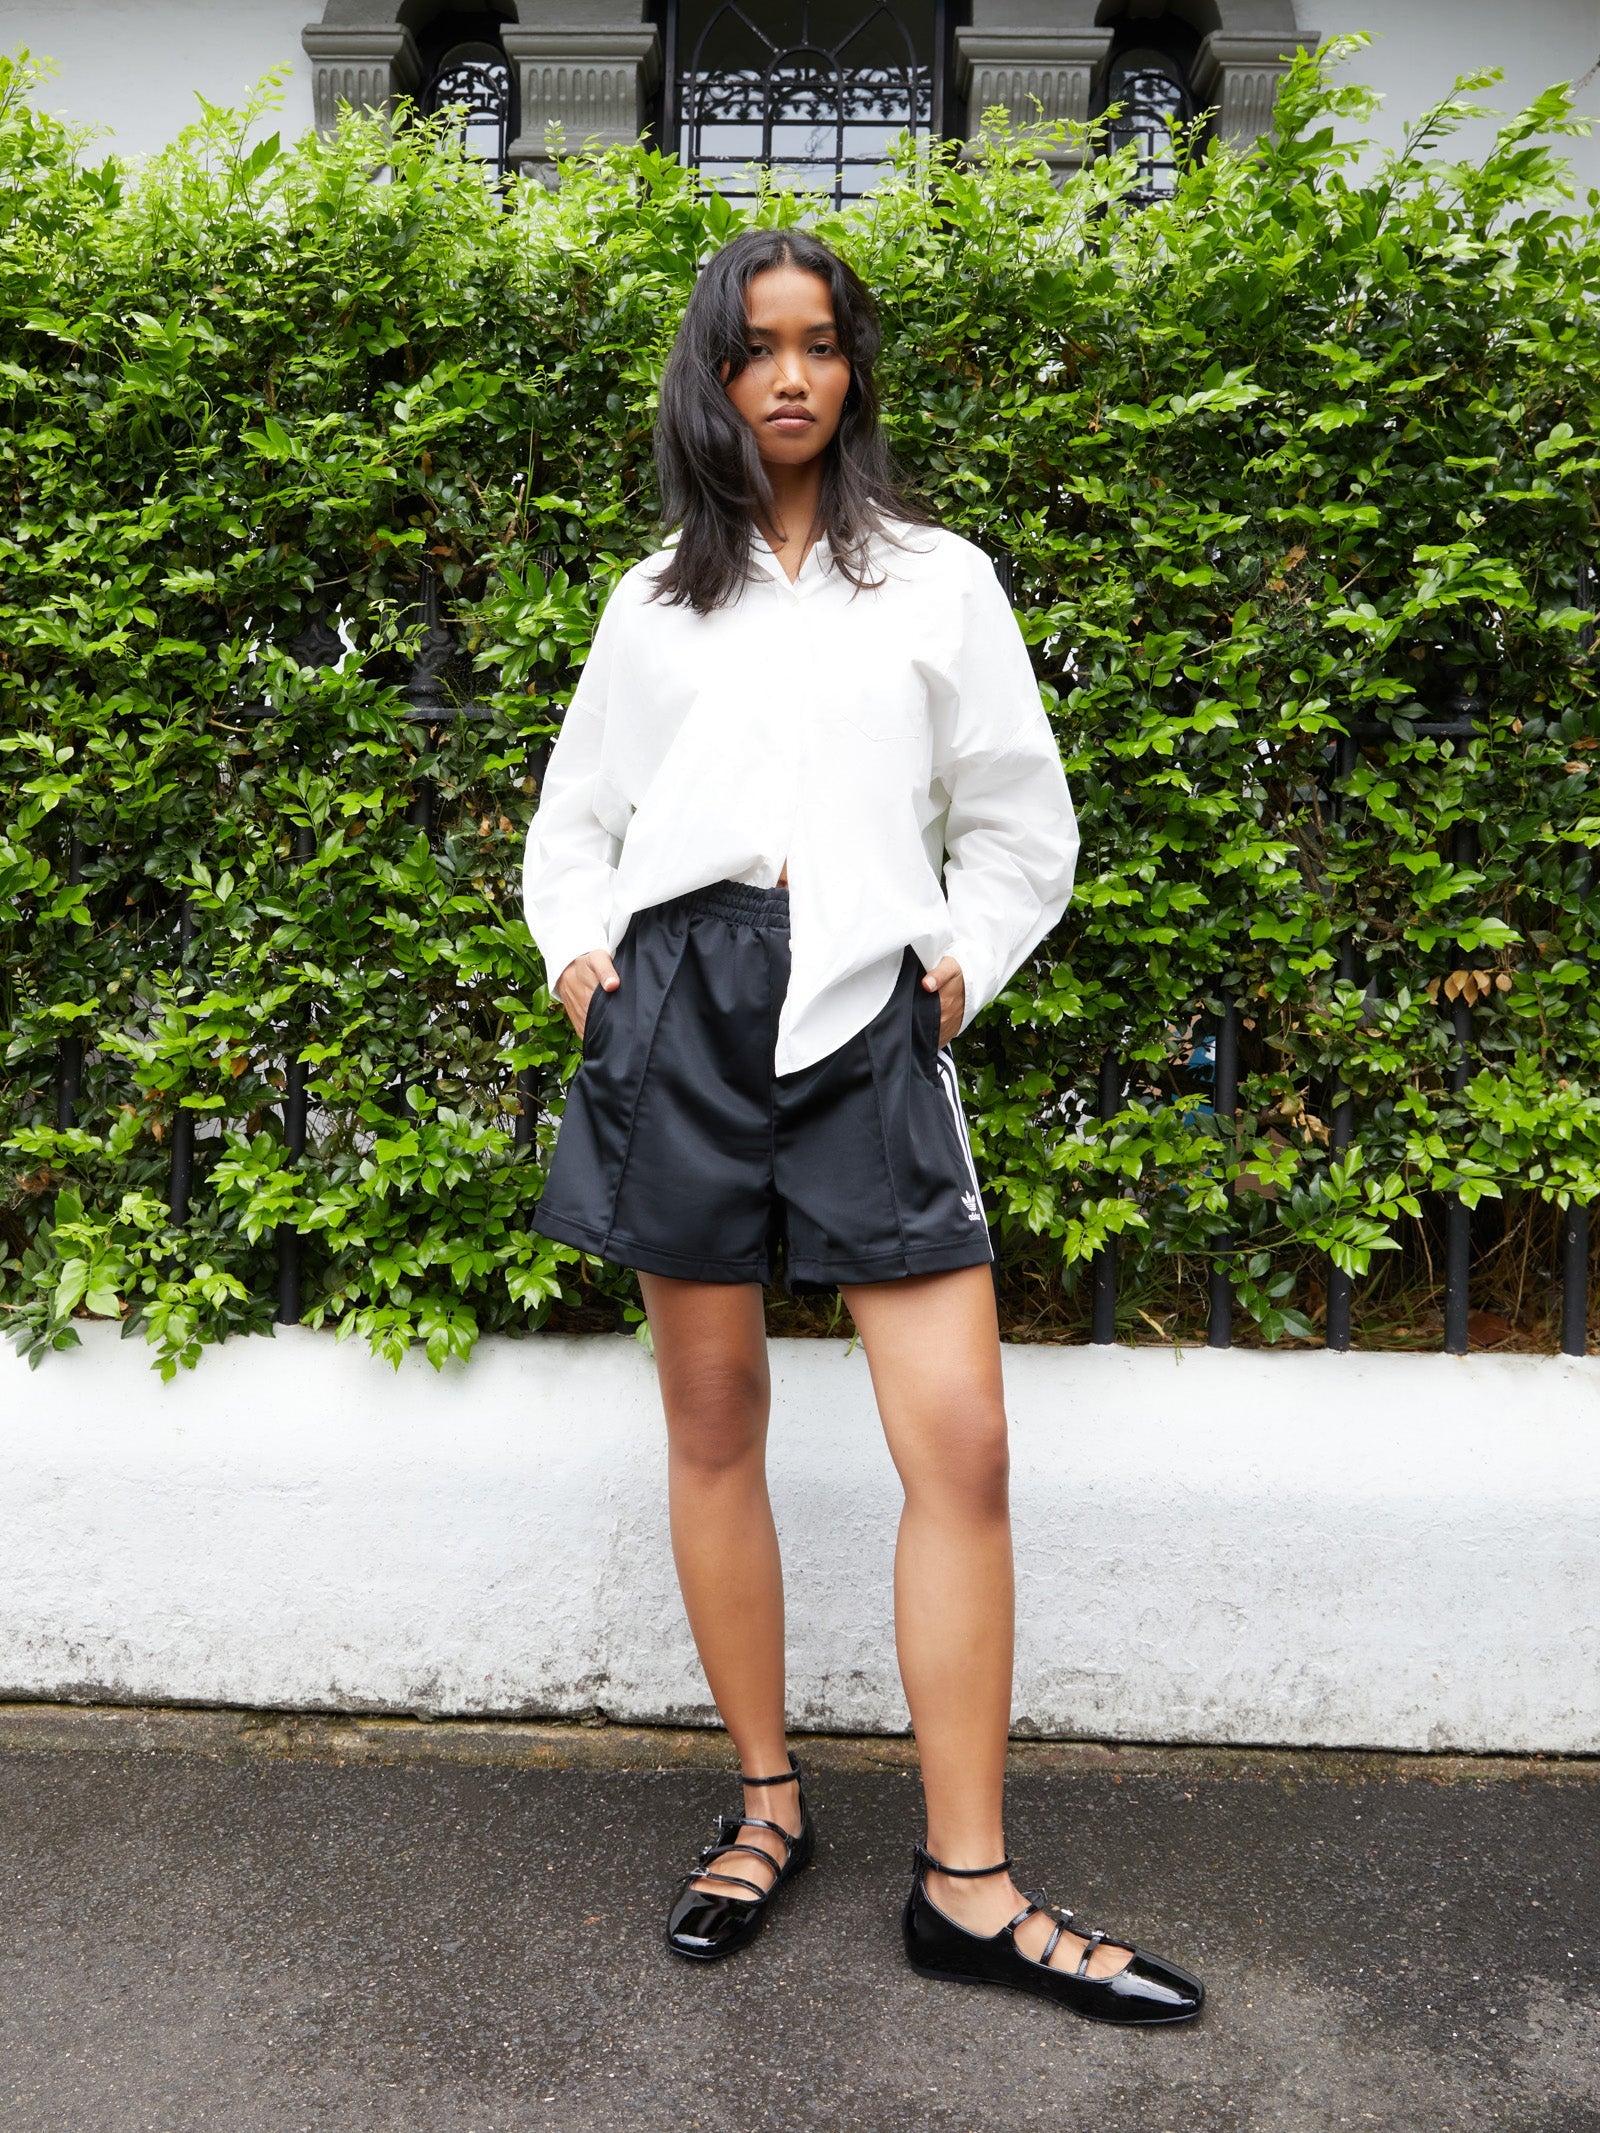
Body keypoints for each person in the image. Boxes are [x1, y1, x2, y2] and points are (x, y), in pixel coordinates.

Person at [521, 225, 1203, 2025]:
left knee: (962, 1443)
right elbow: (573, 825)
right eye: (757, 347)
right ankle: (766, 1805)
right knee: (714, 1419)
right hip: (683, 1004)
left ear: (854, 368)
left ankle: (967, 1884)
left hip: (866, 1014)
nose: (792, 376)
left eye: (820, 344)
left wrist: (958, 970)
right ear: (712, 375)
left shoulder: (940, 582)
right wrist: (590, 975)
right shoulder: (652, 605)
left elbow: (1020, 818)